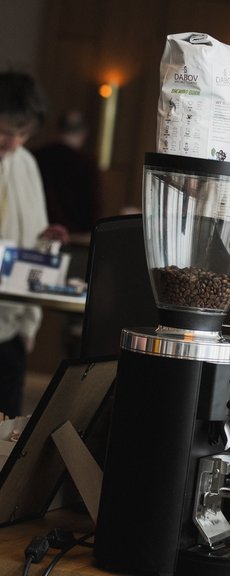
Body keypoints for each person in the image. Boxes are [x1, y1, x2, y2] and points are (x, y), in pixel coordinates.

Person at [0, 71, 55, 417]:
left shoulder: (26, 164)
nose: (13, 144)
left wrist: (29, 324)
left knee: (7, 434)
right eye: (5, 132)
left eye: (22, 135)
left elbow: (35, 237)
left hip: (10, 323)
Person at [33, 110, 102, 235]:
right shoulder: (86, 162)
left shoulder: (37, 156)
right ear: (84, 134)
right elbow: (92, 204)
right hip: (74, 233)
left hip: (40, 228)